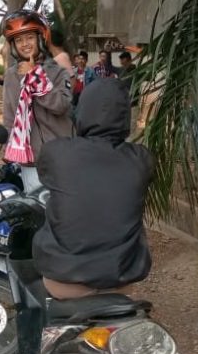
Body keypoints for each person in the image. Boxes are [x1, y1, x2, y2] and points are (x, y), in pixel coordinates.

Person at [33, 78, 153, 299]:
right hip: (120, 281)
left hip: (64, 281)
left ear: (83, 110)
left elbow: (44, 173)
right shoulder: (141, 158)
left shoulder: (55, 152)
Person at [1, 10, 74, 191]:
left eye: (29, 38)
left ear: (41, 38)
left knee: (63, 214)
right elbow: (10, 117)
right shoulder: (11, 76)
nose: (25, 44)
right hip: (30, 162)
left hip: (61, 158)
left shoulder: (58, 72)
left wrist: (35, 77)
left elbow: (61, 106)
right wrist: (10, 150)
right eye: (18, 40)